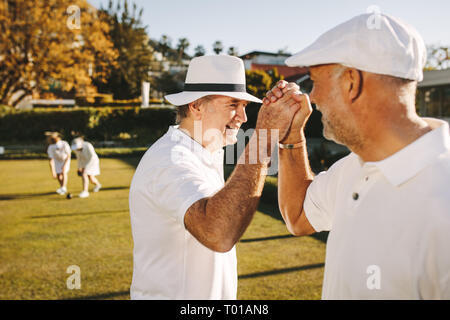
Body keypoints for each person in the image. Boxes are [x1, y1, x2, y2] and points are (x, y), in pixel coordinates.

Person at [265, 13, 450, 299]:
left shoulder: (443, 201)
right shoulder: (352, 168)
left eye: (314, 81)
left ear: (351, 82)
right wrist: (291, 136)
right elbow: (299, 216)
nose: (311, 97)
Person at [129, 55, 301, 299]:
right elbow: (218, 233)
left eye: (244, 106)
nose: (243, 118)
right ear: (196, 106)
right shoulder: (170, 160)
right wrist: (263, 137)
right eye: (232, 105)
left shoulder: (208, 150)